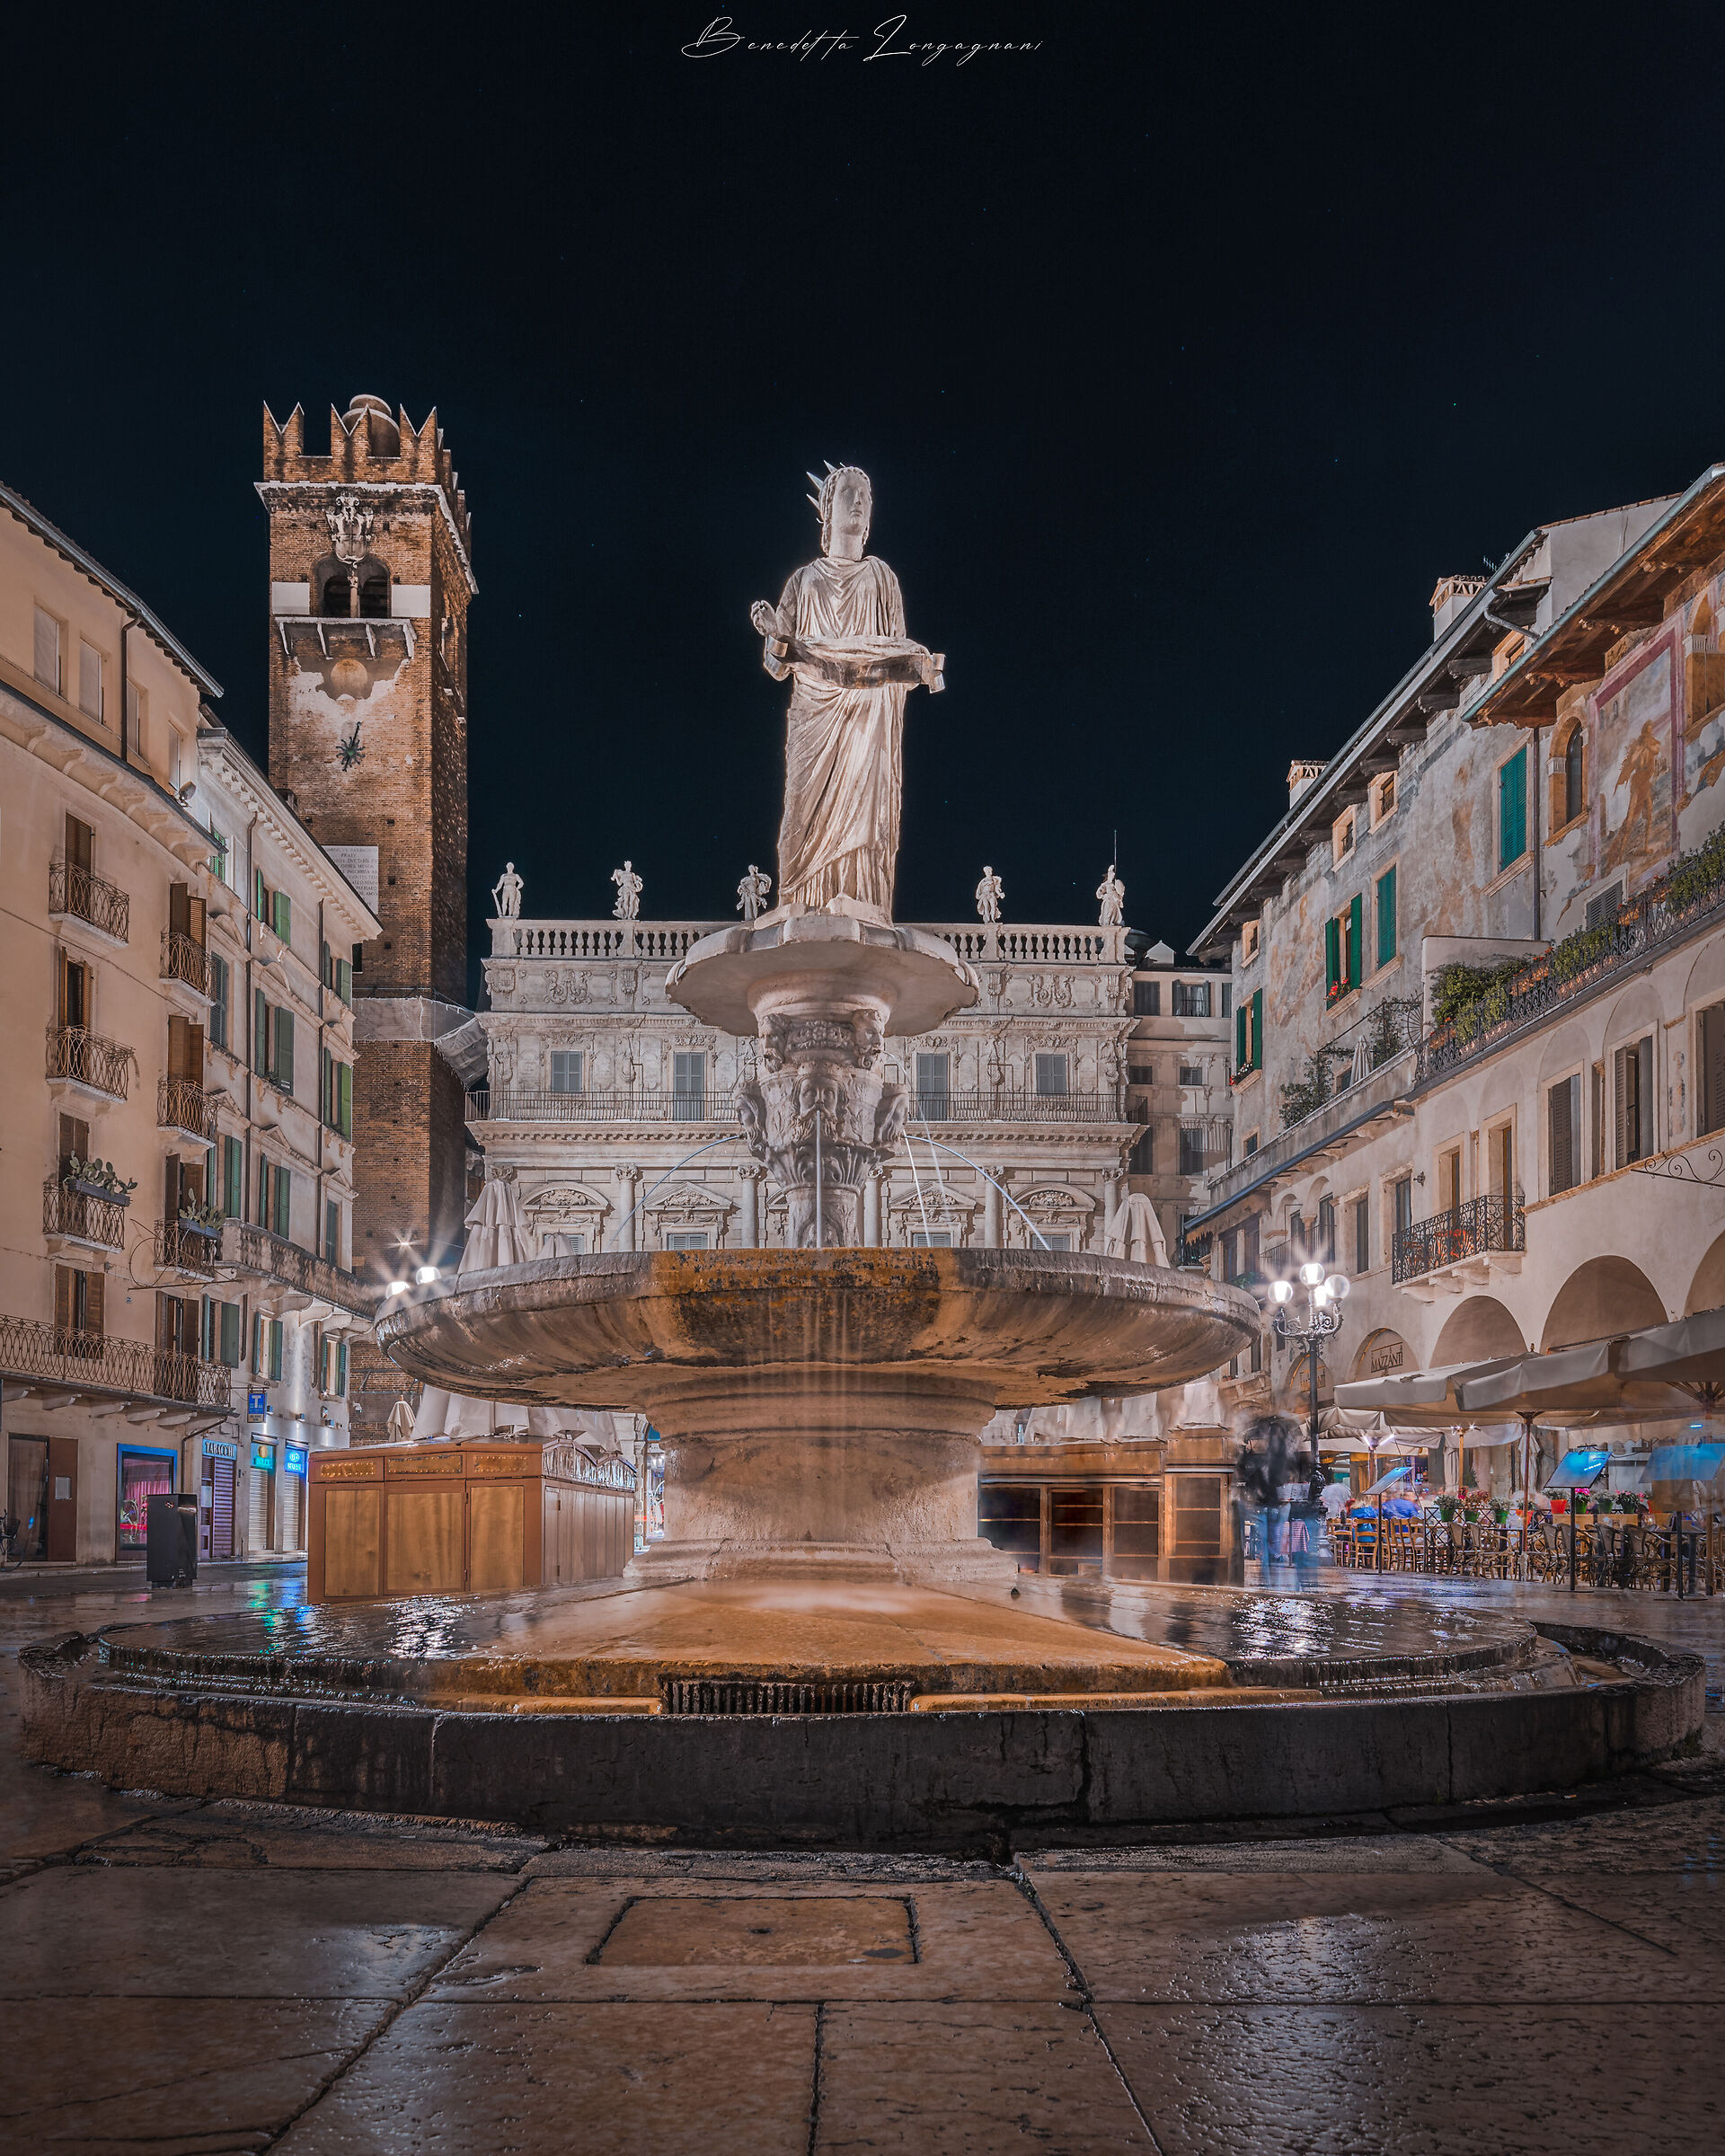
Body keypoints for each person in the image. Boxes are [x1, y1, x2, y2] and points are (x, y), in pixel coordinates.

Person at [1235, 1412, 1297, 1586]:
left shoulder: (1255, 1458)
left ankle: (1270, 1580)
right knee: (1269, 1544)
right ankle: (1270, 1580)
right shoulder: (1266, 1457)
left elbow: (1277, 1479)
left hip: (1267, 1506)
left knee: (1269, 1544)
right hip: (1266, 1506)